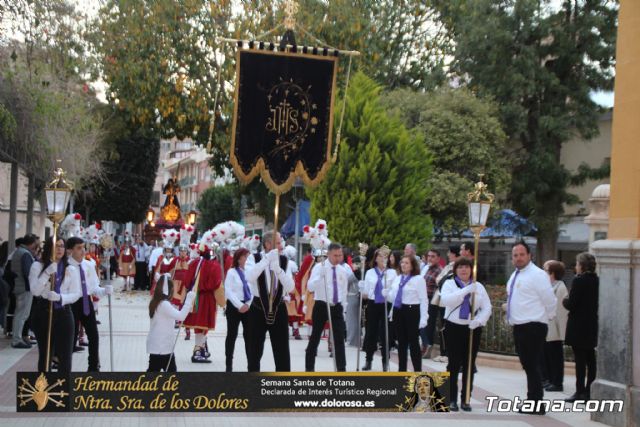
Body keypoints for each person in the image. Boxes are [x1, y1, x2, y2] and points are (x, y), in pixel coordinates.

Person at [506, 241, 557, 415]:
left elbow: (549, 300)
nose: (518, 258)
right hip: (520, 326)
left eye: (521, 254)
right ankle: (533, 400)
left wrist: (546, 317)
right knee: (527, 365)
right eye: (515, 255)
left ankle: (536, 403)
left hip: (533, 325)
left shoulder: (537, 274)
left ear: (529, 255)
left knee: (532, 364)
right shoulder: (516, 275)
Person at [440, 257, 491, 412]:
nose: (464, 270)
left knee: (469, 364)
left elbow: (487, 307)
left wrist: (480, 320)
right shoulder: (449, 284)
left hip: (472, 329)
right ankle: (452, 398)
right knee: (453, 364)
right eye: (460, 267)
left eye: (467, 267)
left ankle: (466, 398)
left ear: (471, 270)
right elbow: (447, 301)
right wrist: (465, 291)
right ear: (455, 270)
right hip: (453, 328)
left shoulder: (479, 287)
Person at [28, 237, 82, 374]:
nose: (59, 249)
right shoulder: (37, 266)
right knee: (46, 355)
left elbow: (76, 294)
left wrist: (61, 297)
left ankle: (64, 389)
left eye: (62, 246)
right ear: (49, 248)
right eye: (56, 246)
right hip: (44, 312)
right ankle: (44, 390)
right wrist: (47, 273)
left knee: (65, 356)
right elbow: (35, 290)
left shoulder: (70, 269)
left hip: (64, 313)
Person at [246, 231, 295, 371]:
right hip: (258, 308)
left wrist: (278, 269)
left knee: (282, 352)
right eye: (278, 243)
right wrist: (266, 260)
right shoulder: (253, 258)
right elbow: (250, 277)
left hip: (279, 308)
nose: (281, 245)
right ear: (268, 244)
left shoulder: (285, 261)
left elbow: (290, 287)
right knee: (254, 350)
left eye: (281, 242)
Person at [305, 242, 354, 372]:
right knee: (315, 337)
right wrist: (320, 275)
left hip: (336, 306)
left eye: (340, 255)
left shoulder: (342, 270)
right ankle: (309, 369)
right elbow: (310, 287)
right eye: (335, 255)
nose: (338, 258)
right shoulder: (319, 267)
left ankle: (341, 369)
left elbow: (343, 291)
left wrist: (343, 308)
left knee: (339, 339)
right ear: (328, 254)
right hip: (322, 305)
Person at [68, 236, 113, 371]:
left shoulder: (88, 265)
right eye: (79, 248)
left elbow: (94, 288)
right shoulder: (66, 266)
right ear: (70, 250)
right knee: (71, 336)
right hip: (71, 303)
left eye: (84, 248)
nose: (83, 251)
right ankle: (64, 366)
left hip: (86, 302)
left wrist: (104, 290)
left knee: (93, 335)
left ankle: (93, 366)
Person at [182, 235, 224, 363]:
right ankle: (197, 351)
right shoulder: (213, 265)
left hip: (195, 296)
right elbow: (216, 283)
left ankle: (202, 348)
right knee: (203, 325)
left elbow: (186, 281)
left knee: (199, 325)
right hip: (207, 298)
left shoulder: (194, 263)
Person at [563, 252, 599, 402]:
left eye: (577, 264)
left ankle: (579, 392)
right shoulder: (597, 280)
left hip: (578, 325)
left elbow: (571, 304)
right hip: (591, 324)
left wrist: (565, 300)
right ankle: (590, 391)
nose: (576, 267)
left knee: (580, 361)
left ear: (582, 266)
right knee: (590, 359)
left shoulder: (579, 281)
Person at [386, 255, 428, 373]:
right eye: (402, 262)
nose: (403, 265)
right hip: (399, 310)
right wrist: (386, 293)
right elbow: (393, 298)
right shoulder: (398, 278)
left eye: (407, 263)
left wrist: (424, 318)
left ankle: (417, 370)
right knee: (401, 342)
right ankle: (402, 370)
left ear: (412, 265)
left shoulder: (418, 279)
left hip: (412, 311)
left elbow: (423, 299)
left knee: (413, 342)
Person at [146, 275, 195, 372]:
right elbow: (180, 316)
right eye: (172, 288)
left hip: (158, 346)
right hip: (162, 348)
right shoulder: (164, 304)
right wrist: (188, 300)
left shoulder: (156, 301)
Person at [359, 248, 397, 371]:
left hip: (386, 304)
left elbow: (395, 290)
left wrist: (388, 292)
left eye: (385, 256)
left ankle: (385, 362)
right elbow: (366, 293)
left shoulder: (392, 273)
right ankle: (368, 360)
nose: (382, 258)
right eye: (380, 256)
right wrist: (362, 288)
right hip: (373, 303)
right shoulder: (370, 272)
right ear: (375, 258)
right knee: (371, 333)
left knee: (385, 333)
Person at [542, 260, 569, 392]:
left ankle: (557, 382)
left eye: (546, 271)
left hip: (555, 329)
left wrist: (562, 331)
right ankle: (550, 380)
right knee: (548, 355)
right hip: (548, 326)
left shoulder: (560, 287)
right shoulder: (549, 286)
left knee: (556, 357)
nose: (544, 273)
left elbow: (561, 312)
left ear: (553, 273)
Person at [224, 248, 252, 372]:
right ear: (239, 258)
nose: (247, 259)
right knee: (232, 335)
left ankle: (251, 364)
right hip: (234, 307)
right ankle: (229, 364)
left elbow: (253, 289)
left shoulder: (250, 271)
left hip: (248, 307)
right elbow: (228, 290)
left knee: (249, 336)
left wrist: (248, 304)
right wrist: (239, 305)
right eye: (246, 257)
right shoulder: (231, 272)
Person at [432, 245, 461, 363]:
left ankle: (449, 353)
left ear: (455, 254)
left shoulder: (457, 266)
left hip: (449, 302)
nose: (448, 255)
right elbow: (438, 279)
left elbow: (445, 280)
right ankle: (443, 352)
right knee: (442, 327)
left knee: (448, 328)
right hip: (441, 300)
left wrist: (442, 280)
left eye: (450, 252)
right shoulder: (449, 266)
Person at [10, 233, 39, 348]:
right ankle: (16, 339)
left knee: (20, 314)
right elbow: (28, 273)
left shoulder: (19, 251)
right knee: (21, 315)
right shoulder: (25, 254)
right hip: (24, 288)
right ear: (31, 243)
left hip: (19, 286)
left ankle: (18, 337)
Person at [422, 249, 442, 359]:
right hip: (423, 300)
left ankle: (428, 348)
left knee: (429, 325)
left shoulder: (439, 270)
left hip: (431, 301)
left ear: (438, 258)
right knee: (422, 325)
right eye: (429, 256)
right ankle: (424, 346)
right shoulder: (427, 268)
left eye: (433, 256)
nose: (430, 258)